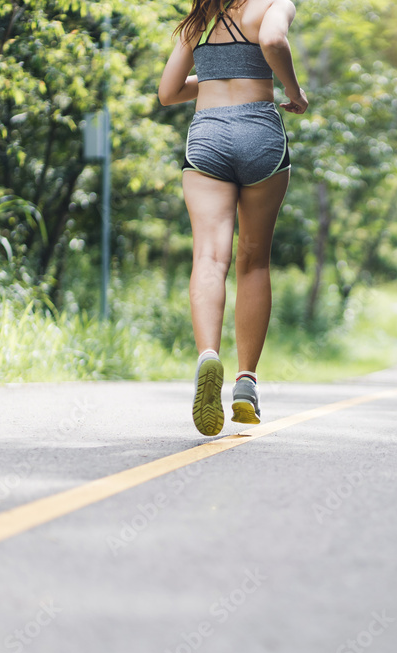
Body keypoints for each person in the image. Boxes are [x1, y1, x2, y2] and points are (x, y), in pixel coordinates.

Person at [158, 0, 308, 436]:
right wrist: (292, 91)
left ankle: (208, 355)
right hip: (260, 129)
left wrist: (210, 78)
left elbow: (167, 93)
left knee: (208, 259)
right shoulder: (276, 4)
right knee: (254, 261)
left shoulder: (201, 15)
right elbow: (272, 40)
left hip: (207, 134)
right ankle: (246, 382)